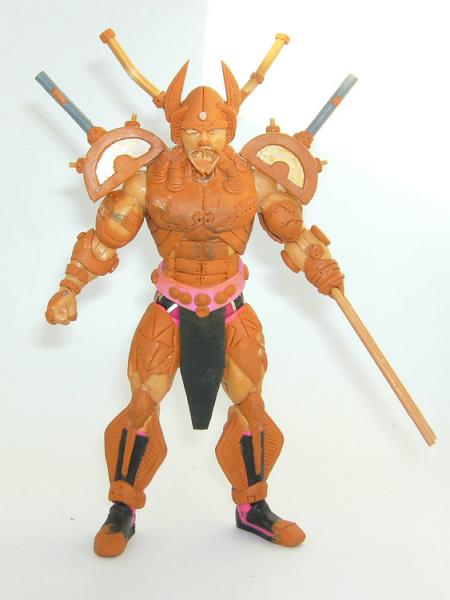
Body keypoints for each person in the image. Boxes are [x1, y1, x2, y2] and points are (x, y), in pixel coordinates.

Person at [46, 61, 344, 557]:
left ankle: (254, 509)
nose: (204, 140)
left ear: (231, 129)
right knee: (141, 407)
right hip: (170, 308)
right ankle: (122, 510)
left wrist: (323, 270)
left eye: (215, 130)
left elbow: (294, 236)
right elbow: (106, 238)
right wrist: (70, 287)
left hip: (231, 310)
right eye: (193, 130)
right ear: (175, 129)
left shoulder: (256, 181)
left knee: (252, 410)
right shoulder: (147, 181)